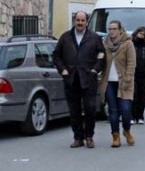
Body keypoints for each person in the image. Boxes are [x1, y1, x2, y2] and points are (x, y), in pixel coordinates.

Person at [53, 11, 106, 148]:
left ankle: (89, 136)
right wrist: (62, 70)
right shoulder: (65, 37)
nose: (80, 23)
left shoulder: (94, 38)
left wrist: (95, 69)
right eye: (78, 20)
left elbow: (101, 54)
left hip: (89, 78)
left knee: (90, 108)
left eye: (83, 20)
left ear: (87, 22)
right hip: (71, 79)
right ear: (74, 21)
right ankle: (78, 137)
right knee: (74, 110)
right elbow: (56, 56)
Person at [98, 21, 136, 148]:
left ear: (120, 30)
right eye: (109, 29)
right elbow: (100, 60)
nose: (111, 31)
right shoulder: (104, 44)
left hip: (124, 82)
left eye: (114, 28)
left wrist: (128, 78)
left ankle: (127, 130)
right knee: (113, 110)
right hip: (109, 82)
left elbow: (131, 63)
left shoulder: (128, 43)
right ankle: (115, 136)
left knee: (125, 109)